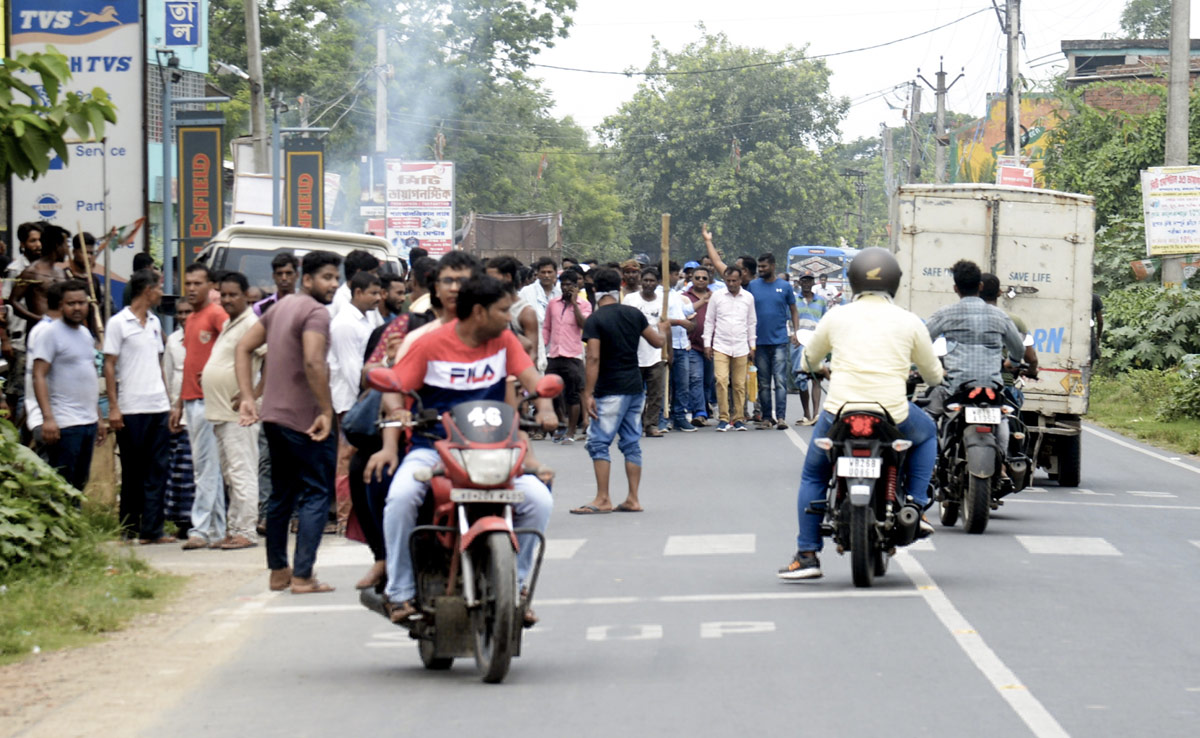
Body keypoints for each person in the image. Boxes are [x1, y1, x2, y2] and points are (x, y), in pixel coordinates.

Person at [365, 274, 557, 623]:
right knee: (402, 497)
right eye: (503, 310)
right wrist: (397, 411)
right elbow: (396, 383)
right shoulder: (430, 343)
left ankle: (520, 588)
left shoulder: (504, 341)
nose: (508, 317)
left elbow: (532, 379)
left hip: (497, 451)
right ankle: (400, 592)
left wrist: (546, 398)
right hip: (434, 449)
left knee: (540, 501)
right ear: (479, 312)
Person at [778, 249, 943, 580]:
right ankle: (916, 504)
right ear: (894, 282)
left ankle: (808, 554)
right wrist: (919, 375)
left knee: (814, 475)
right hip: (892, 414)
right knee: (927, 435)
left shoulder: (836, 316)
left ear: (853, 281)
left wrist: (821, 369)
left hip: (840, 411)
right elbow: (934, 374)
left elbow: (808, 360)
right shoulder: (909, 321)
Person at [236, 251, 342, 594]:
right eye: (327, 277)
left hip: (274, 417)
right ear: (306, 279)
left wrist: (249, 397)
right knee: (315, 493)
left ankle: (278, 571)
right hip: (306, 420)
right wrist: (326, 411)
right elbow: (314, 362)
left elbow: (243, 347)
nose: (334, 284)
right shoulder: (315, 312)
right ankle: (303, 575)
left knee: (282, 495)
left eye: (336, 278)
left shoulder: (279, 308)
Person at [572, 267, 669, 514]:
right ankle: (633, 498)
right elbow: (657, 342)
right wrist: (664, 329)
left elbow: (592, 358)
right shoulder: (632, 313)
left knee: (598, 443)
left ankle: (603, 498)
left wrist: (588, 393)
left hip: (610, 388)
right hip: (635, 386)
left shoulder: (596, 319)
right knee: (631, 442)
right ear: (620, 287)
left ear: (594, 290)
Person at [923, 260, 1025, 455]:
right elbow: (1018, 349)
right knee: (1003, 418)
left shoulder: (946, 314)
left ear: (955, 288)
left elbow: (921, 340)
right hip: (991, 387)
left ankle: (934, 462)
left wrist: (932, 366)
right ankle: (1002, 464)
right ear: (980, 286)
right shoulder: (1000, 316)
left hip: (955, 387)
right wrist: (1013, 362)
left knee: (928, 415)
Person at [102, 268, 173, 543]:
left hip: (157, 405)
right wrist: (114, 406)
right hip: (131, 407)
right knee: (133, 469)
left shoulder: (155, 323)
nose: (161, 294)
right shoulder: (119, 323)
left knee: (158, 468)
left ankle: (152, 529)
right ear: (148, 290)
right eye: (158, 288)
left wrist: (167, 399)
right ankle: (129, 527)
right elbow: (109, 365)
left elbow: (159, 363)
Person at [201, 271, 265, 550]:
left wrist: (252, 394)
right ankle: (234, 528)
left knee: (242, 471)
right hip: (221, 412)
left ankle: (246, 531)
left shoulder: (252, 324)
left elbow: (270, 361)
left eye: (233, 295)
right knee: (230, 474)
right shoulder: (231, 323)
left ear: (244, 295)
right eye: (223, 295)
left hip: (240, 414)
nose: (227, 299)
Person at [169, 263, 228, 551]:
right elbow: (188, 364)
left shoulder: (216, 314)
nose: (191, 288)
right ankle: (217, 529)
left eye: (197, 283)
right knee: (207, 467)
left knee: (204, 466)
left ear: (210, 286)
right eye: (188, 283)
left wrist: (218, 372)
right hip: (191, 399)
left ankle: (201, 529)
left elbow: (234, 346)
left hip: (210, 399)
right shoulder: (191, 319)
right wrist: (178, 404)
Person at [31, 279, 105, 491]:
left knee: (80, 484)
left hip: (88, 422)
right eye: (71, 303)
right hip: (65, 424)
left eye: (81, 303)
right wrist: (48, 418)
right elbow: (39, 375)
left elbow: (89, 376)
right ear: (61, 305)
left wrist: (98, 417)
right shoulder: (49, 333)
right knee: (61, 486)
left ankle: (75, 524)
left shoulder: (84, 334)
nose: (77, 308)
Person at [744, 252, 800, 429]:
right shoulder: (752, 286)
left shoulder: (784, 287)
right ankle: (767, 418)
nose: (760, 270)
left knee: (781, 381)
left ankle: (781, 417)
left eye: (764, 267)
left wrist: (796, 332)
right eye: (759, 267)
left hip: (780, 342)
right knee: (764, 382)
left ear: (773, 266)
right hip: (759, 342)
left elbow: (794, 310)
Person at [703, 265, 756, 432]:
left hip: (741, 346)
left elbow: (751, 322)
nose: (731, 284)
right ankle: (724, 418)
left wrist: (752, 345)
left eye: (734, 281)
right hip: (720, 345)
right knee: (721, 380)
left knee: (740, 384)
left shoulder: (748, 297)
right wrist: (707, 344)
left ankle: (738, 418)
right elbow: (709, 321)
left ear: (740, 280)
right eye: (728, 281)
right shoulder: (717, 297)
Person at [543, 267, 592, 444]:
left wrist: (573, 304)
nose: (566, 289)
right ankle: (560, 423)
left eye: (570, 285)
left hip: (573, 355)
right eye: (563, 285)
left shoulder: (584, 304)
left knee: (573, 395)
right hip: (554, 354)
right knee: (550, 392)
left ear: (577, 287)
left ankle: (571, 432)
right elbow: (547, 327)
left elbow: (584, 324)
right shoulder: (553, 304)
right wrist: (542, 349)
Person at [623, 268, 672, 437]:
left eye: (652, 281)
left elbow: (667, 328)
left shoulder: (662, 302)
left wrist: (669, 352)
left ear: (657, 283)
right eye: (645, 280)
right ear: (640, 281)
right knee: (634, 393)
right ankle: (632, 424)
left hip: (656, 354)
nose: (648, 284)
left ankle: (651, 425)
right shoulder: (630, 299)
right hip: (634, 353)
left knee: (656, 393)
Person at [162, 298, 195, 535]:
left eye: (188, 312)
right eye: (180, 313)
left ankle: (198, 521)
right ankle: (182, 522)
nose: (183, 316)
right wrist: (171, 408)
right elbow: (167, 374)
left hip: (198, 411)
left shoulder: (207, 336)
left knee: (195, 471)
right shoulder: (173, 341)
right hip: (177, 414)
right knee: (179, 471)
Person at [980, 273, 1039, 404]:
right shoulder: (1013, 321)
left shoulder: (963, 319)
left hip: (968, 382)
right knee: (1014, 415)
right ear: (1000, 293)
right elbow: (1031, 357)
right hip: (1002, 384)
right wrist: (1032, 370)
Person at [330, 271, 382, 416]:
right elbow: (351, 368)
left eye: (379, 293)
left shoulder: (368, 316)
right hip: (347, 400)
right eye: (373, 293)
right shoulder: (345, 323)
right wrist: (364, 400)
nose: (378, 298)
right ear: (358, 292)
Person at [486, 255, 539, 363]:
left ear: (508, 277)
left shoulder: (525, 312)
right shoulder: (486, 307)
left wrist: (516, 376)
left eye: (493, 278)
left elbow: (532, 354)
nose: (489, 282)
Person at [793, 272, 828, 425]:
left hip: (815, 343)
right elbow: (790, 319)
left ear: (813, 283)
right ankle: (806, 413)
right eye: (804, 280)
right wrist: (793, 335)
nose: (806, 283)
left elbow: (825, 322)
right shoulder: (794, 299)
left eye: (809, 280)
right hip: (798, 343)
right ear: (799, 282)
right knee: (801, 378)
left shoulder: (821, 301)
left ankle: (815, 414)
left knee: (816, 378)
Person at [684, 265, 716, 425]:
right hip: (692, 345)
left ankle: (705, 406)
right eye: (697, 277)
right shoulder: (684, 297)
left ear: (709, 279)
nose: (701, 280)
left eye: (704, 278)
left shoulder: (715, 297)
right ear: (691, 279)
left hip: (712, 345)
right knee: (696, 378)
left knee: (707, 380)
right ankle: (700, 412)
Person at [518, 256, 561, 372]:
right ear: (537, 274)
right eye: (543, 272)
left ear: (555, 273)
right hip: (534, 342)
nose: (546, 275)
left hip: (557, 347)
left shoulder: (560, 293)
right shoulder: (526, 292)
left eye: (549, 272)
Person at [328, 249, 382, 326]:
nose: (376, 276)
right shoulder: (336, 299)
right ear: (359, 273)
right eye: (372, 272)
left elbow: (379, 327)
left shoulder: (372, 299)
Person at [253, 253, 299, 317]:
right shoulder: (260, 308)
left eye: (288, 273)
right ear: (273, 276)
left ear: (297, 275)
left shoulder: (307, 305)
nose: (284, 278)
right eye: (279, 274)